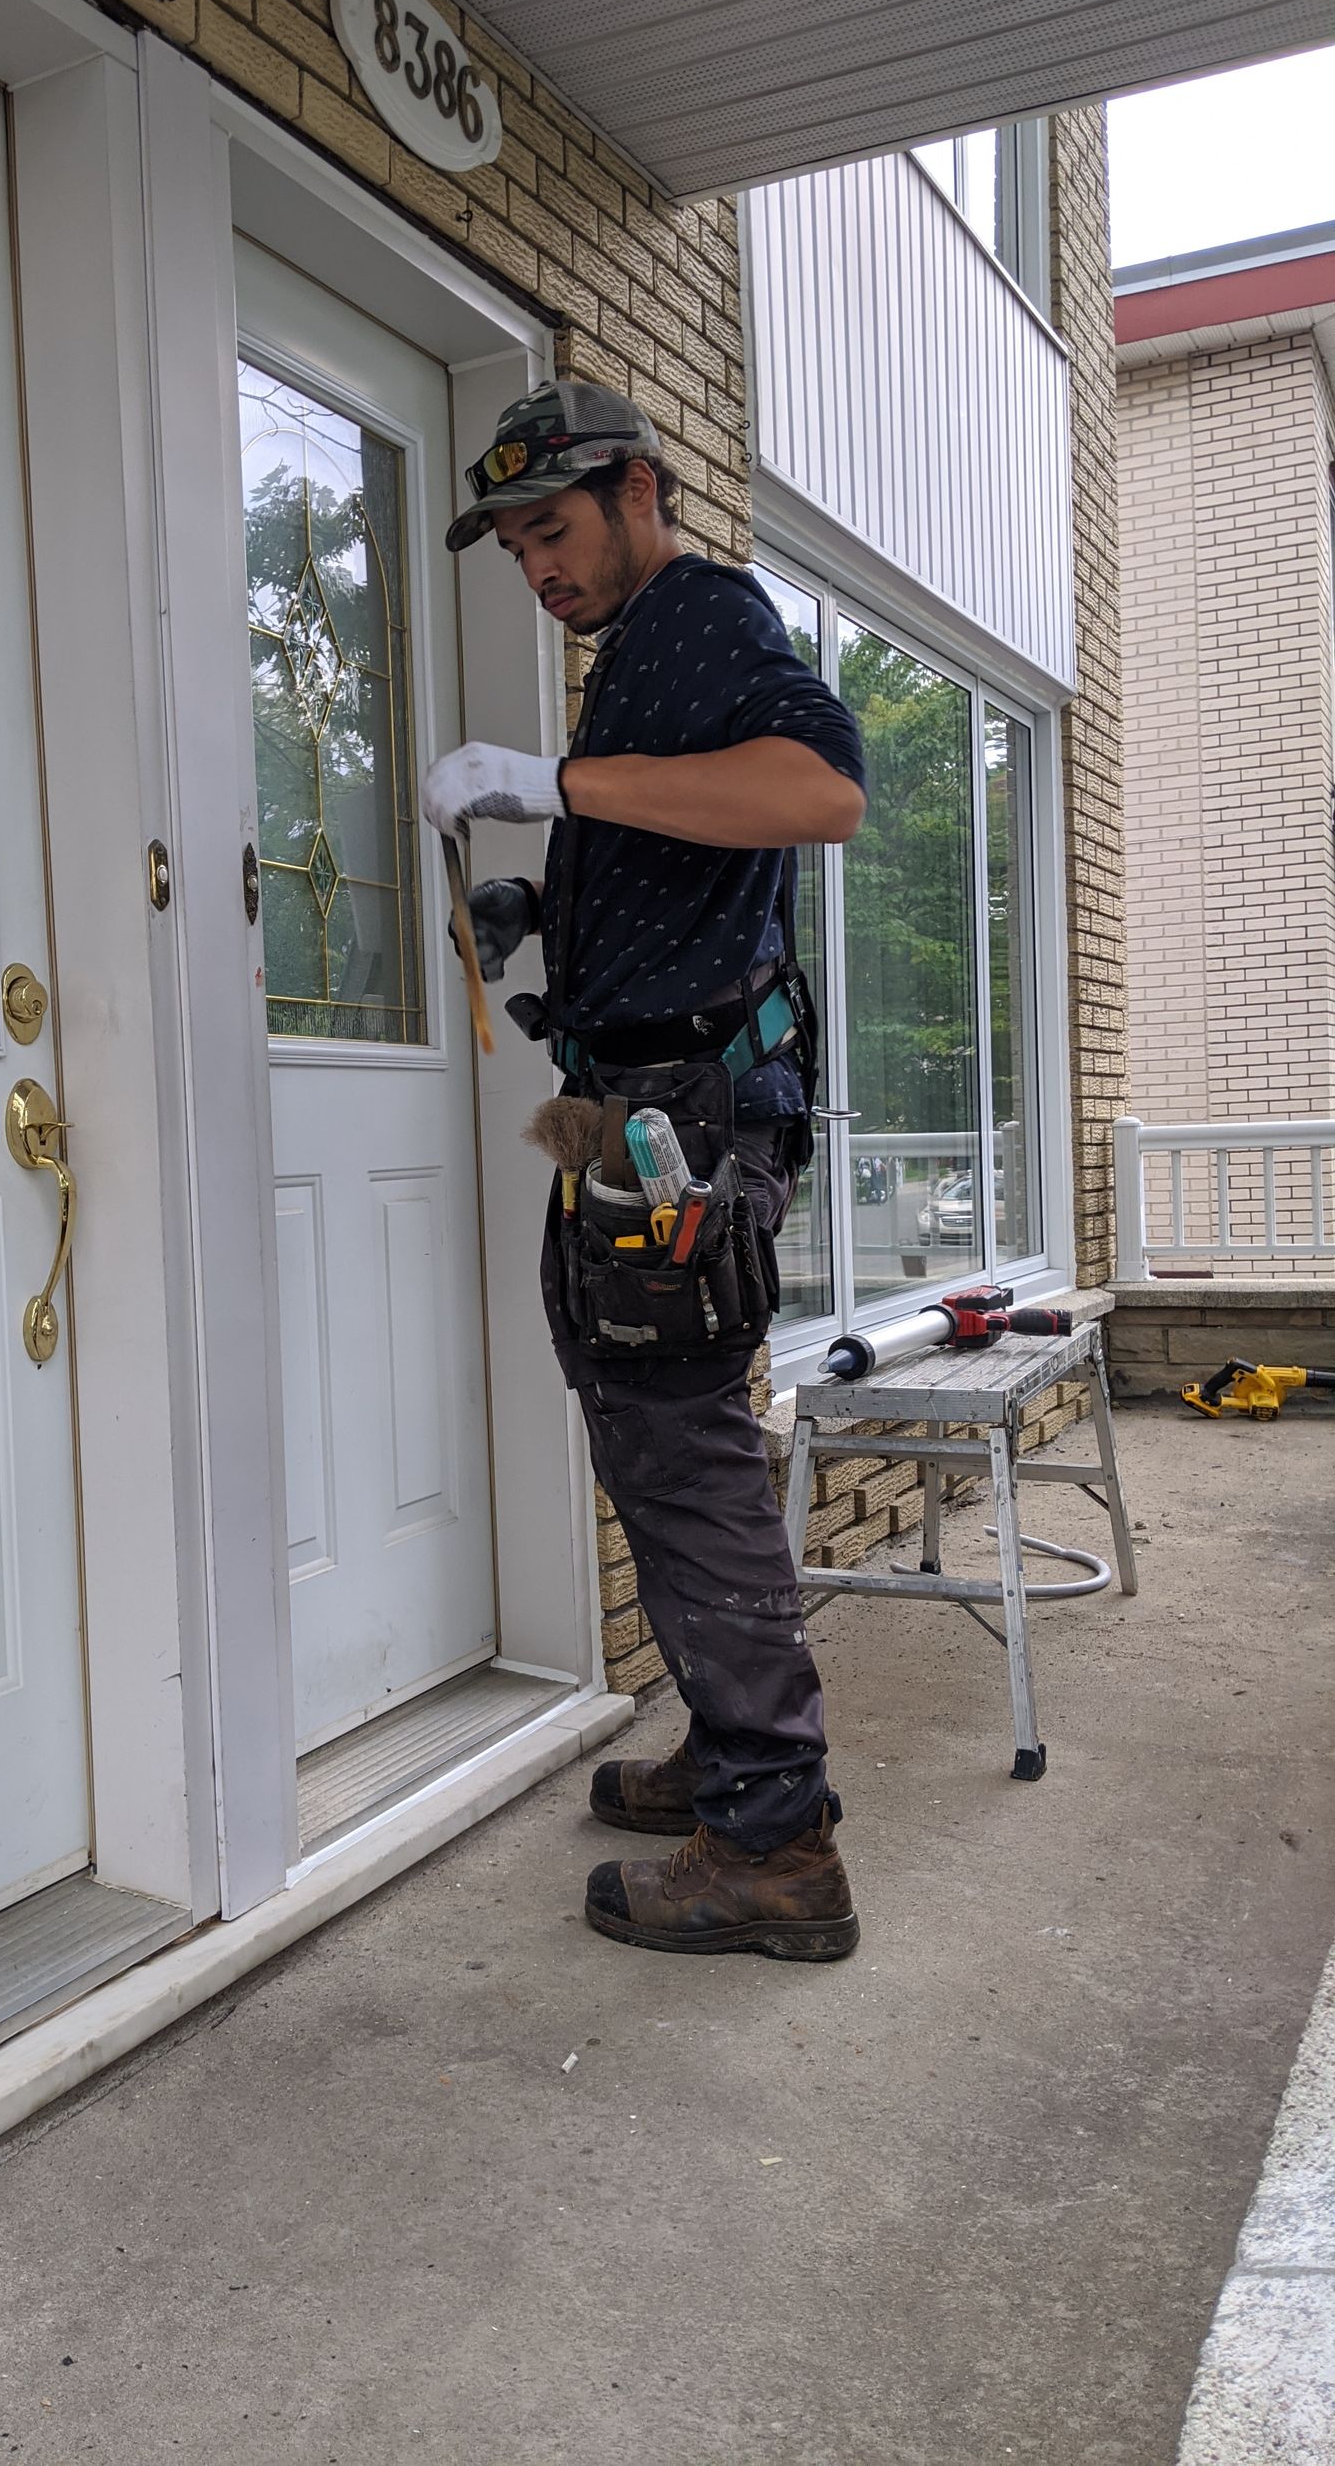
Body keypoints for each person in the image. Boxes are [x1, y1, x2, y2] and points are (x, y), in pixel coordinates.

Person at [425, 380, 868, 1962]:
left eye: (555, 528)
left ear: (641, 493)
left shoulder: (695, 612)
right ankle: (729, 1754)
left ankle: (776, 1840)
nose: (538, 567)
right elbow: (691, 854)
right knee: (664, 1431)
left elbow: (820, 792)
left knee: (676, 1446)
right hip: (640, 1103)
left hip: (686, 1114)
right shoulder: (637, 665)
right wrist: (549, 910)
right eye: (517, 548)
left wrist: (554, 787)